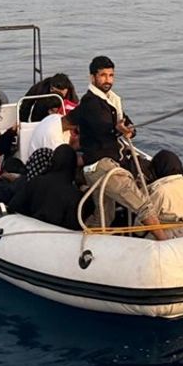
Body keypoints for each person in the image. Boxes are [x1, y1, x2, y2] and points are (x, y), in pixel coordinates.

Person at [67, 56, 168, 240]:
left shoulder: (112, 101)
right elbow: (102, 125)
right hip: (102, 167)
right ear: (92, 78)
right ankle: (166, 242)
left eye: (111, 75)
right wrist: (117, 129)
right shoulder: (90, 103)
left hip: (104, 166)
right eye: (103, 75)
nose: (108, 80)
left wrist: (128, 130)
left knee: (105, 217)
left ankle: (78, 241)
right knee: (142, 204)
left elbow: (128, 125)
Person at [9, 144, 93, 230]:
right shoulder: (74, 195)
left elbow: (14, 206)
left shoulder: (35, 181)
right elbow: (73, 228)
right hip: (53, 239)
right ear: (73, 165)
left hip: (30, 232)